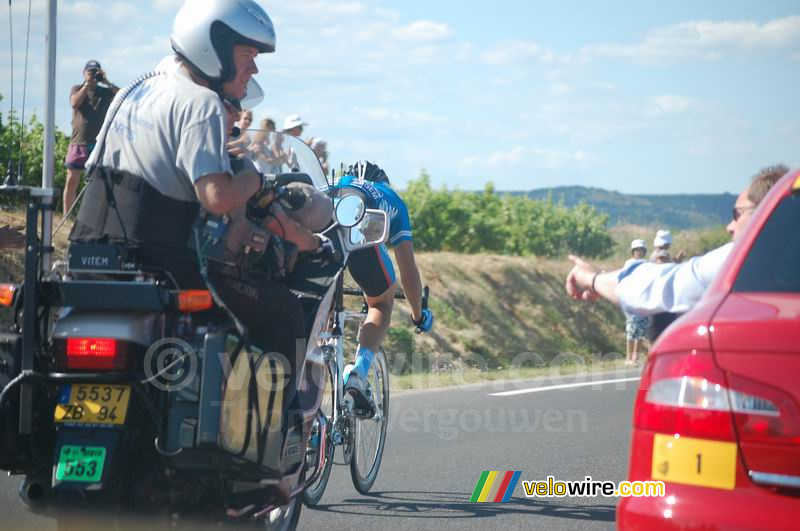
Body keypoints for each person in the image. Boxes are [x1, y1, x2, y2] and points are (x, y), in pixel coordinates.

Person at [69, 0, 324, 379]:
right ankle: (266, 433)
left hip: (86, 257)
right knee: (279, 318)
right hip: (154, 266)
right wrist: (252, 178)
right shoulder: (200, 101)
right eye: (248, 54)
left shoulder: (136, 90)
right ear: (215, 47)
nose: (254, 66)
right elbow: (217, 197)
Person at [565, 165, 788, 315]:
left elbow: (662, 287)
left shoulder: (747, 259)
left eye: (737, 214)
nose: (730, 227)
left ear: (766, 212)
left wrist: (591, 278)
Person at [332, 161, 433, 416]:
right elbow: (408, 271)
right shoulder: (391, 198)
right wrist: (418, 314)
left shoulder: (336, 183)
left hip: (324, 228)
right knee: (380, 303)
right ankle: (358, 373)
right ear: (383, 181)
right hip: (363, 232)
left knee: (320, 303)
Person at [63, 60, 119, 215]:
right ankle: (67, 216)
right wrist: (87, 85)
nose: (93, 75)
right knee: (72, 180)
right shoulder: (77, 88)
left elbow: (123, 96)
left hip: (99, 144)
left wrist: (107, 82)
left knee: (100, 183)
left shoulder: (105, 92)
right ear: (84, 73)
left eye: (96, 72)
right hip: (78, 143)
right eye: (90, 72)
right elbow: (74, 103)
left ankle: (94, 216)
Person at [623, 239, 650, 365]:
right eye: (637, 250)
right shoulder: (629, 264)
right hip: (631, 300)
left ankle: (635, 357)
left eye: (641, 250)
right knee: (631, 329)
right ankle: (628, 357)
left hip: (642, 300)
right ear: (633, 251)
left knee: (641, 331)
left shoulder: (646, 264)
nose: (639, 252)